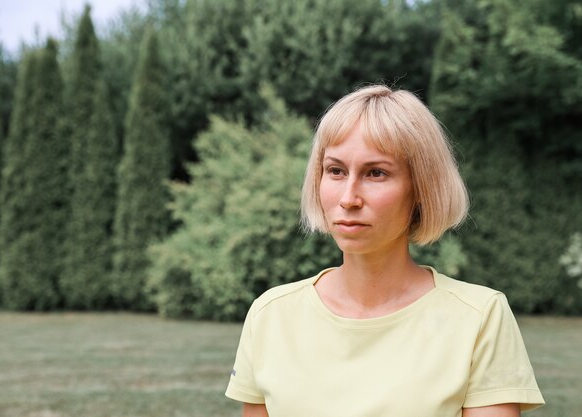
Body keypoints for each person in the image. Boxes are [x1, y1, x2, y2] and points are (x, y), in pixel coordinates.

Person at [225, 85, 545, 417]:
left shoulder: (479, 317)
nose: (349, 198)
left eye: (375, 173)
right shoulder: (271, 315)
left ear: (422, 188)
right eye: (336, 171)